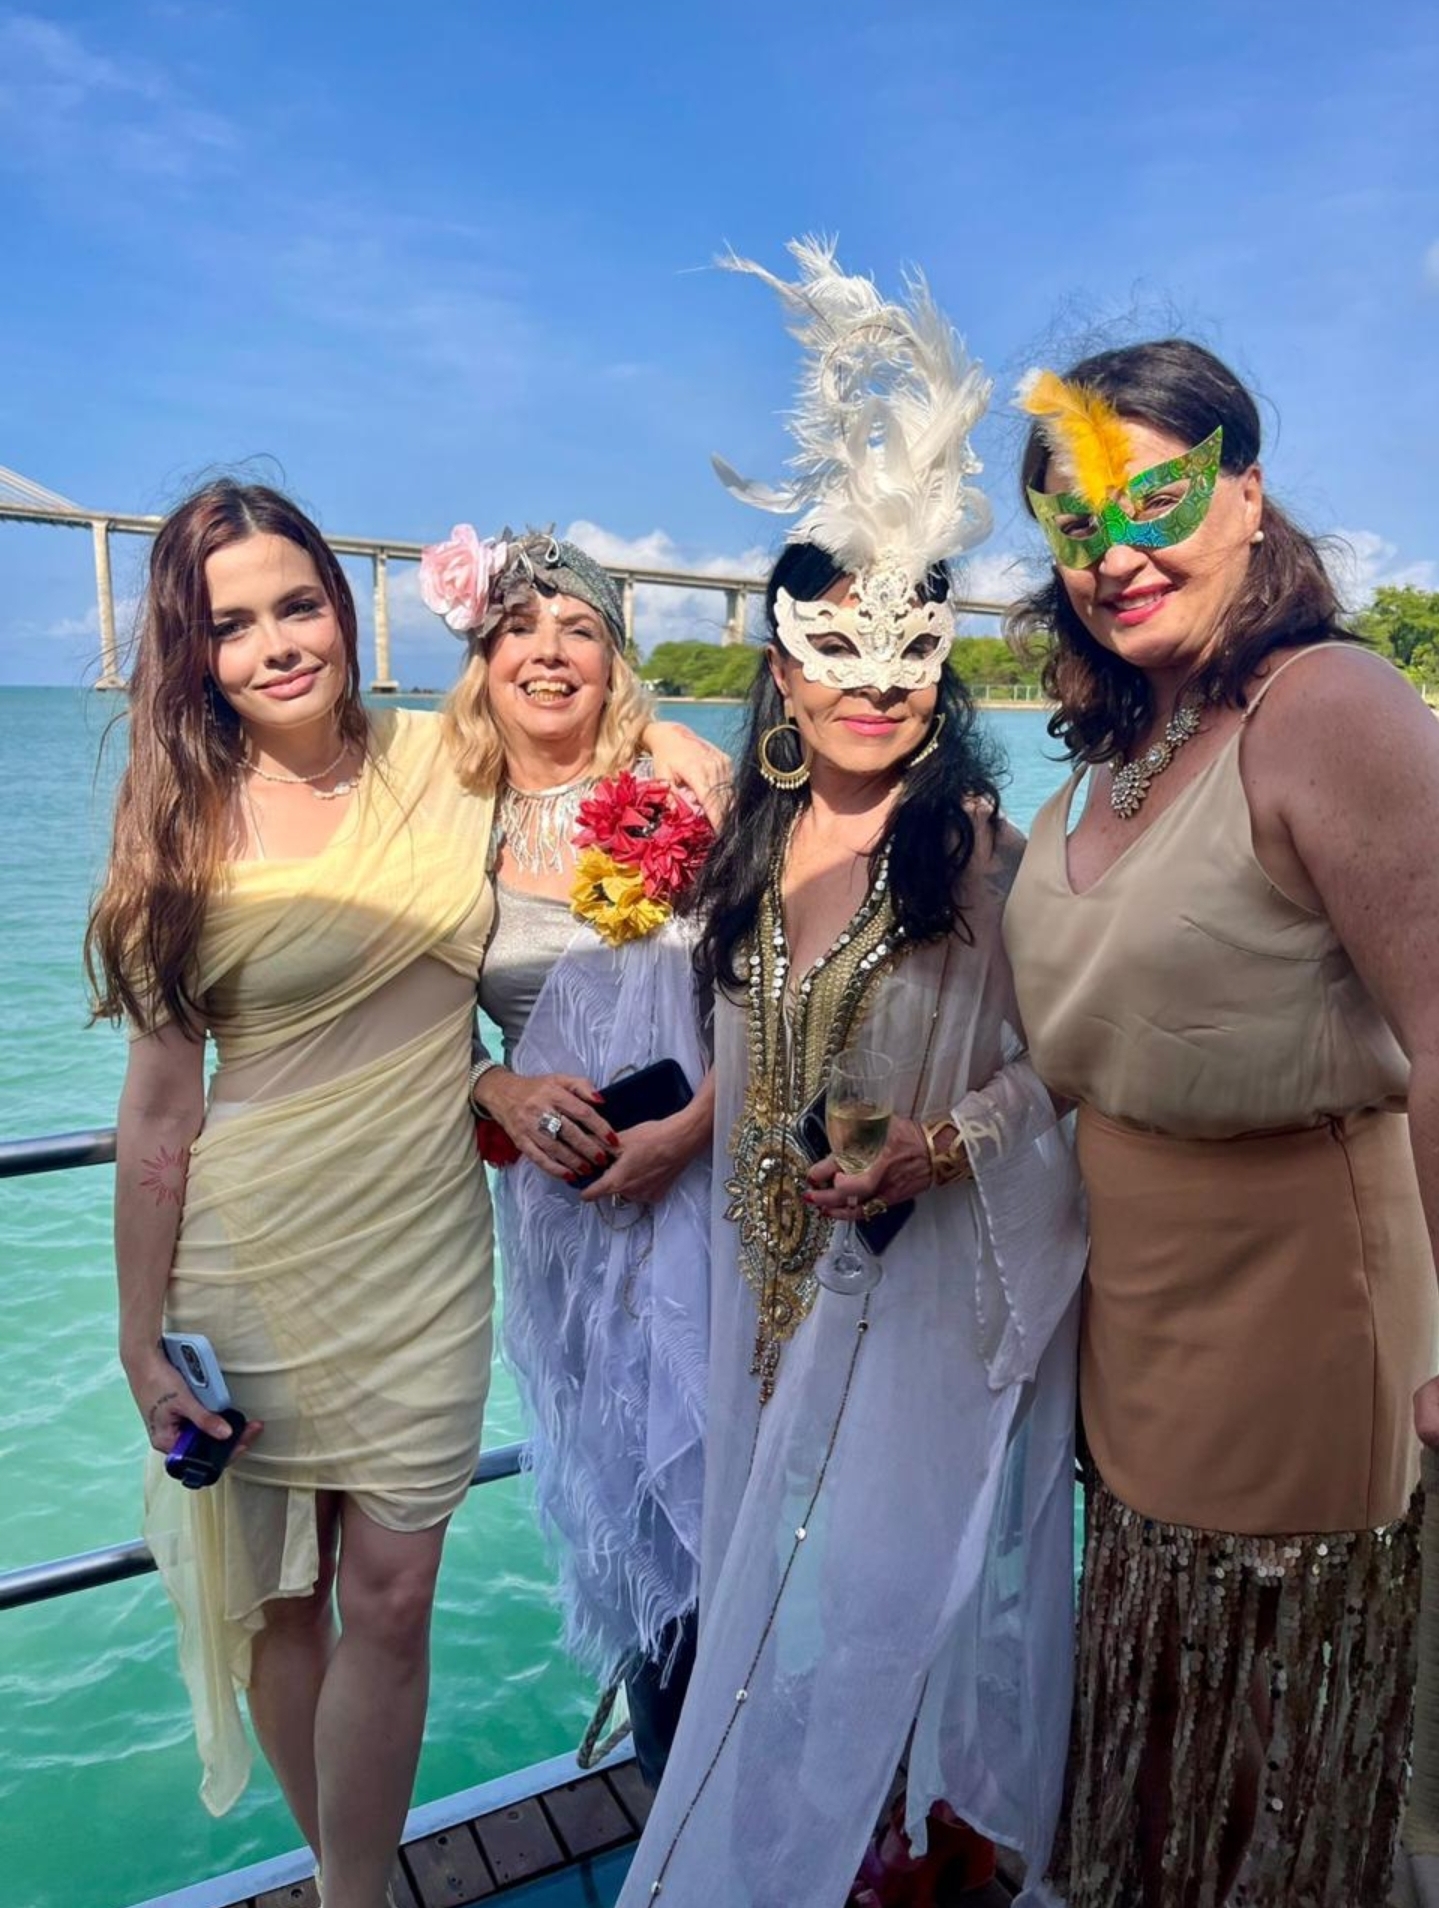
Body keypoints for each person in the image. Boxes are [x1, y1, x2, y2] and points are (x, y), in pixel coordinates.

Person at [83, 482, 730, 1908]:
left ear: (345, 608)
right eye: (229, 625)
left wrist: (686, 743)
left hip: (427, 1242)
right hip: (251, 1252)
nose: (275, 645)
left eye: (296, 606)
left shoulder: (442, 758)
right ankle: (354, 1894)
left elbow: (577, 731)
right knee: (285, 1604)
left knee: (394, 1595)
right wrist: (137, 1342)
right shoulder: (176, 826)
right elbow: (158, 1109)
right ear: (193, 654)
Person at [616, 241, 1087, 1908]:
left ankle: (892, 1855)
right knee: (760, 1625)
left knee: (894, 1611)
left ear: (939, 669)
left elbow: (1058, 1069)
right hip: (752, 1296)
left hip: (909, 1300)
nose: (871, 688)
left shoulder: (977, 853)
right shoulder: (741, 854)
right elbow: (733, 1061)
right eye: (834, 657)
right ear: (781, 670)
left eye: (905, 659)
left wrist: (937, 1148)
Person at [1003, 339, 1439, 1906]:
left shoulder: (1325, 707)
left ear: (1245, 493)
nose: (1110, 554)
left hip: (1299, 1309)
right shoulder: (1110, 757)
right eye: (1069, 521)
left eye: (1152, 499)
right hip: (1132, 1318)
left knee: (1270, 1742)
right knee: (1159, 1708)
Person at [419, 525, 715, 1784]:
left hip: (702, 1183)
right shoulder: (448, 818)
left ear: (614, 661)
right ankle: (668, 1802)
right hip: (562, 1215)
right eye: (520, 629)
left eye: (579, 629)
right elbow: (403, 1015)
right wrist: (494, 1080)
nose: (548, 653)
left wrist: (688, 1132)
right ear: (481, 658)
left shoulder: (686, 789)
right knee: (625, 1503)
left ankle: (745, 1808)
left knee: (719, 1487)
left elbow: (776, 989)